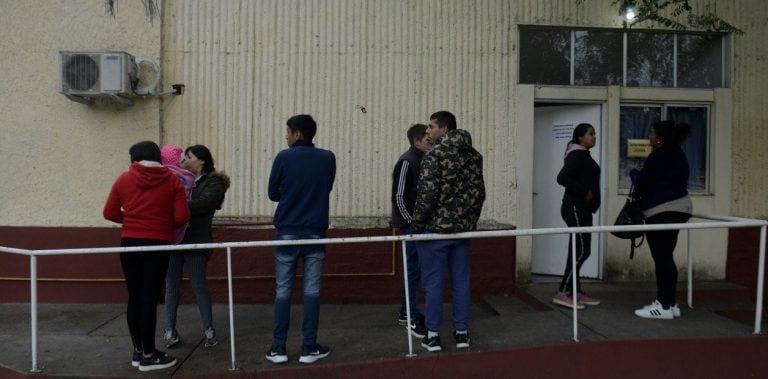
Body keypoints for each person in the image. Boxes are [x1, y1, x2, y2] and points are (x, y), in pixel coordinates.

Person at [103, 141, 190, 372]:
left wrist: (132, 221)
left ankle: (138, 351)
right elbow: (182, 216)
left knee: (135, 297)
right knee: (150, 299)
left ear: (135, 159)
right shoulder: (172, 181)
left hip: (129, 243)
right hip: (157, 243)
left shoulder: (124, 179)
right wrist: (159, 225)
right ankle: (150, 356)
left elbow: (109, 212)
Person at [265, 114, 336, 364]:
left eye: (287, 132)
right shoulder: (327, 158)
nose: (286, 136)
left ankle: (278, 348)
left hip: (287, 231)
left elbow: (273, 193)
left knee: (283, 290)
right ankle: (308, 347)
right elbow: (325, 187)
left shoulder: (284, 157)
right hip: (315, 231)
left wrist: (290, 192)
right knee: (312, 291)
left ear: (297, 134)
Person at [412, 111, 485, 352]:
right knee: (461, 282)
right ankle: (462, 334)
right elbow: (479, 194)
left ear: (445, 129)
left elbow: (427, 195)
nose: (428, 132)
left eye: (432, 127)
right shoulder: (474, 156)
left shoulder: (435, 155)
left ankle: (433, 335)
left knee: (434, 284)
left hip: (435, 231)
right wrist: (469, 222)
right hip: (462, 232)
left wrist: (417, 226)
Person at [164, 144, 230, 349]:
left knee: (198, 284)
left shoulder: (214, 183)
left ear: (201, 160)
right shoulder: (178, 178)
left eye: (189, 157)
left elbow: (204, 204)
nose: (184, 161)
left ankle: (209, 330)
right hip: (174, 240)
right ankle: (169, 330)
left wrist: (175, 204)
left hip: (196, 240)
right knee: (171, 286)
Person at [630, 120, 692, 319]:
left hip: (663, 210)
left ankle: (663, 306)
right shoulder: (677, 153)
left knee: (662, 257)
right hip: (679, 207)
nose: (649, 136)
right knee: (667, 256)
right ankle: (671, 303)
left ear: (660, 139)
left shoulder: (660, 155)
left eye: (652, 133)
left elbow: (642, 182)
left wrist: (634, 173)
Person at [552, 123, 601, 309]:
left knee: (577, 250)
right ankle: (562, 292)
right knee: (582, 251)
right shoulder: (577, 155)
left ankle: (575, 292)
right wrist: (584, 192)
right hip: (575, 207)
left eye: (594, 134)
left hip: (583, 209)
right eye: (590, 134)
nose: (594, 137)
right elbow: (562, 178)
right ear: (580, 137)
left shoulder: (582, 154)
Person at [391, 123, 431, 338]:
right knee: (412, 271)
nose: (430, 141)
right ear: (416, 141)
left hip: (419, 227)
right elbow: (399, 196)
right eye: (427, 139)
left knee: (415, 272)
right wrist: (410, 222)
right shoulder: (408, 161)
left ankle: (406, 312)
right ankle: (411, 316)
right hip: (411, 228)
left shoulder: (425, 159)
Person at [160, 144, 196, 244]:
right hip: (181, 214)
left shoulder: (159, 174)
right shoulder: (187, 176)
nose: (185, 161)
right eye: (183, 159)